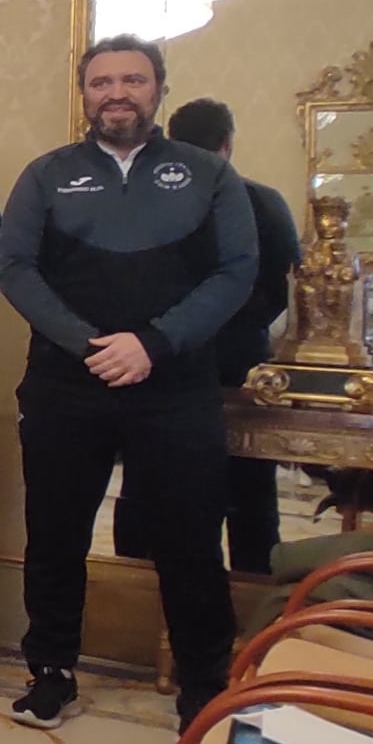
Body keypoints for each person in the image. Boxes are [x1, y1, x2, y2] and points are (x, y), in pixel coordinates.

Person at [0, 35, 257, 733]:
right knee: (55, 535)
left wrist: (153, 343)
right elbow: (17, 268)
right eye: (102, 82)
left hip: (174, 388)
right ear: (84, 94)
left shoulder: (208, 175)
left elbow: (236, 271)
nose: (117, 93)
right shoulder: (47, 175)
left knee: (190, 542)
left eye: (133, 80)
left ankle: (204, 689)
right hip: (66, 384)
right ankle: (51, 673)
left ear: (159, 90)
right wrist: (90, 344)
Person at [109, 98, 300, 573]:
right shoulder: (263, 201)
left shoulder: (143, 200)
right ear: (227, 143)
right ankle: (253, 597)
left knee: (146, 486)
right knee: (249, 491)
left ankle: (135, 589)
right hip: (240, 362)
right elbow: (281, 289)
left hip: (161, 357)